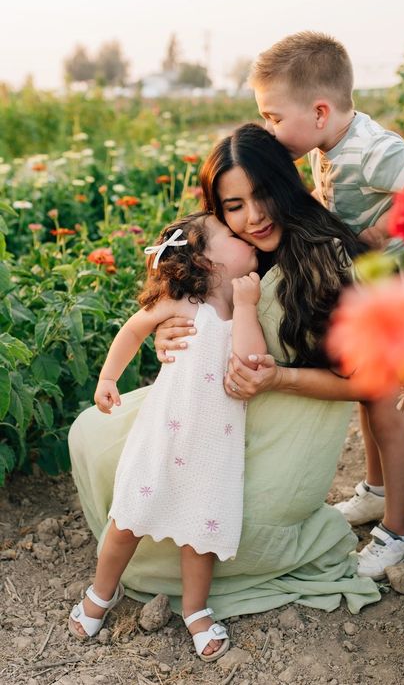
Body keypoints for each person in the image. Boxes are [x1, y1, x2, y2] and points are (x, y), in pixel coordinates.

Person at [69, 125, 381, 642]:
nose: (252, 219)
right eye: (233, 210)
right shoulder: (234, 269)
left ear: (286, 185)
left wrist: (276, 372)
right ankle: (109, 586)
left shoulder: (323, 259)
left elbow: (365, 381)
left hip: (281, 419)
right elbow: (161, 321)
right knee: (94, 441)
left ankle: (189, 604)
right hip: (208, 410)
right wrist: (163, 336)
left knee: (212, 520)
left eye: (261, 197)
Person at [240, 31, 404, 579]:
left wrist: (385, 231)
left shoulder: (370, 149)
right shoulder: (331, 146)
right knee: (369, 397)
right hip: (377, 294)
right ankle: (374, 491)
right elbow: (339, 199)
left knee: (385, 410)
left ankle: (399, 534)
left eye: (272, 116)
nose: (269, 129)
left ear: (319, 111)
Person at [68, 211, 267, 662]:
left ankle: (195, 609)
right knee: (127, 521)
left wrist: (249, 306)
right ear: (205, 260)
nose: (247, 237)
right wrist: (107, 378)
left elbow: (252, 359)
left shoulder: (241, 309)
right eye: (233, 236)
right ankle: (102, 592)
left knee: (200, 534)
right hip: (162, 437)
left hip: (213, 446)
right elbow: (133, 329)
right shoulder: (179, 303)